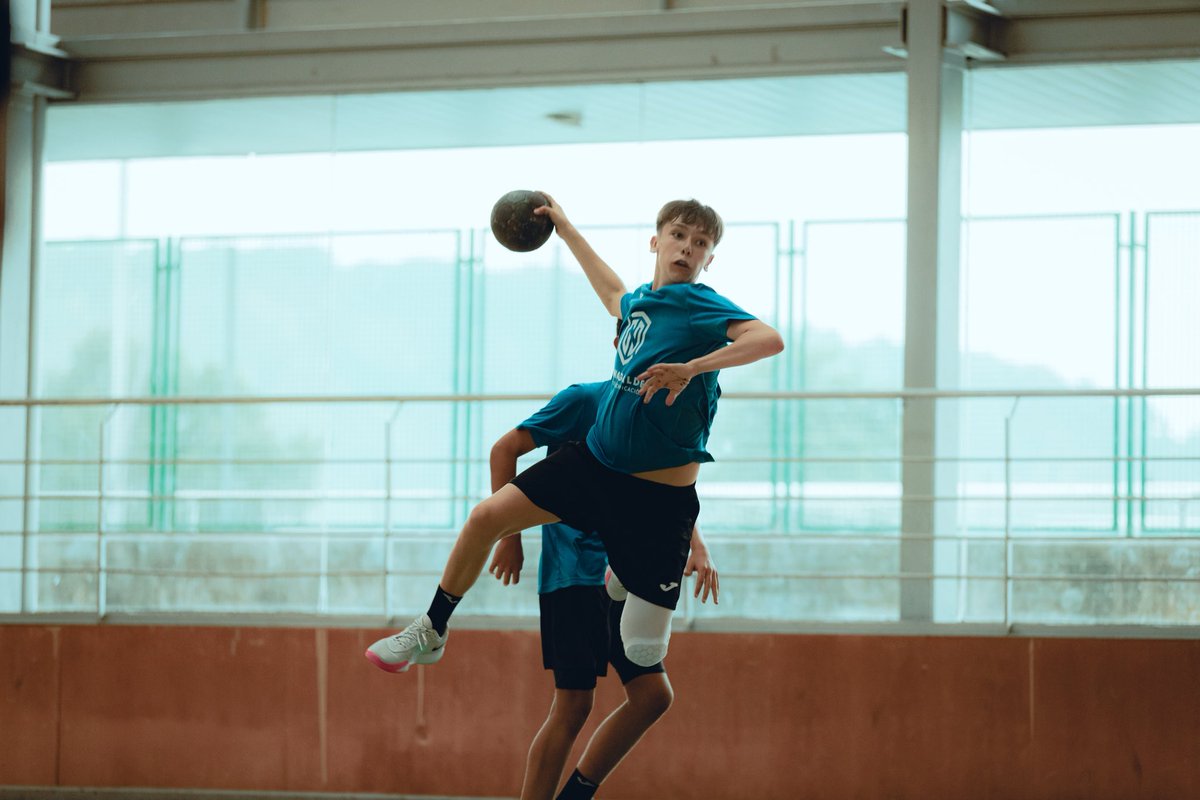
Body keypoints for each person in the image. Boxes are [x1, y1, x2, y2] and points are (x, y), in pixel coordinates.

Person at [366, 196, 782, 729]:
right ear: (657, 241)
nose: (688, 247)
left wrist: (693, 368)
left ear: (709, 259)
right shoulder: (636, 305)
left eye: (701, 243)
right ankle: (431, 628)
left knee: (643, 650)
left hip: (659, 500)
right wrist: (563, 229)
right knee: (485, 518)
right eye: (679, 235)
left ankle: (622, 578)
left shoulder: (702, 306)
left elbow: (768, 338)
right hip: (596, 467)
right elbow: (610, 288)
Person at [486, 376, 718, 800]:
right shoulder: (583, 399)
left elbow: (668, 490)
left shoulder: (651, 412)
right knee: (573, 706)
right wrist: (509, 536)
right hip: (574, 574)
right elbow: (504, 450)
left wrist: (697, 545)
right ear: (623, 343)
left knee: (652, 696)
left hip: (625, 573)